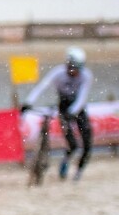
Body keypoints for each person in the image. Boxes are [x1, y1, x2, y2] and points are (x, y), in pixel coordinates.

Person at [21, 47, 93, 181]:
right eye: (71, 68)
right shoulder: (58, 73)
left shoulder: (86, 75)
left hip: (78, 108)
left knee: (88, 142)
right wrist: (28, 102)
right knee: (73, 144)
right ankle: (66, 160)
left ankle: (79, 172)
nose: (74, 72)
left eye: (77, 69)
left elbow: (82, 97)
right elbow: (42, 87)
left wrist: (74, 112)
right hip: (64, 107)